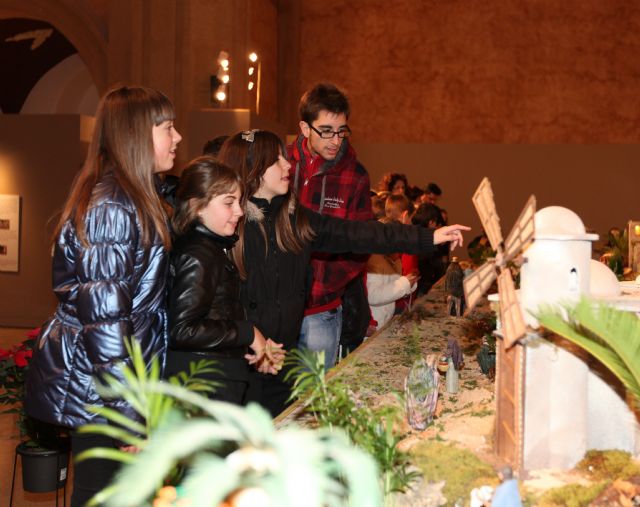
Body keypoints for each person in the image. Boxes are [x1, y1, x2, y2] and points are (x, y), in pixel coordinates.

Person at [218, 129, 470, 417]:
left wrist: (429, 237)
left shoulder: (294, 219)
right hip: (240, 365)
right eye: (277, 160)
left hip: (281, 360)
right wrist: (252, 342)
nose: (288, 164)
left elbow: (359, 233)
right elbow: (215, 308)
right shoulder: (229, 227)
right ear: (255, 169)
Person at [24, 85, 182, 506]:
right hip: (104, 391)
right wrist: (128, 414)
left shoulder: (130, 198)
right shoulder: (112, 206)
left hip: (112, 387)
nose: (177, 137)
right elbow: (106, 323)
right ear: (136, 135)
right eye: (167, 128)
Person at [165, 157, 284, 406]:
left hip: (214, 378)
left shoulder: (211, 247)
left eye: (239, 202)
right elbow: (183, 329)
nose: (239, 211)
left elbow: (218, 312)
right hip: (202, 385)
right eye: (229, 203)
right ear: (197, 206)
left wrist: (254, 345)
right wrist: (248, 334)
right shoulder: (197, 254)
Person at [289, 83, 373, 370]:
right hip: (278, 307)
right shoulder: (280, 164)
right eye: (326, 131)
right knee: (276, 393)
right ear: (305, 127)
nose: (335, 140)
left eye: (341, 131)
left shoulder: (355, 175)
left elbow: (360, 243)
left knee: (314, 392)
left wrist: (322, 287)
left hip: (322, 310)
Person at [366, 218, 420, 328]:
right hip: (373, 323)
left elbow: (393, 288)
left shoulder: (394, 259)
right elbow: (373, 295)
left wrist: (409, 282)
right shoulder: (373, 261)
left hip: (385, 320)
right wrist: (404, 283)